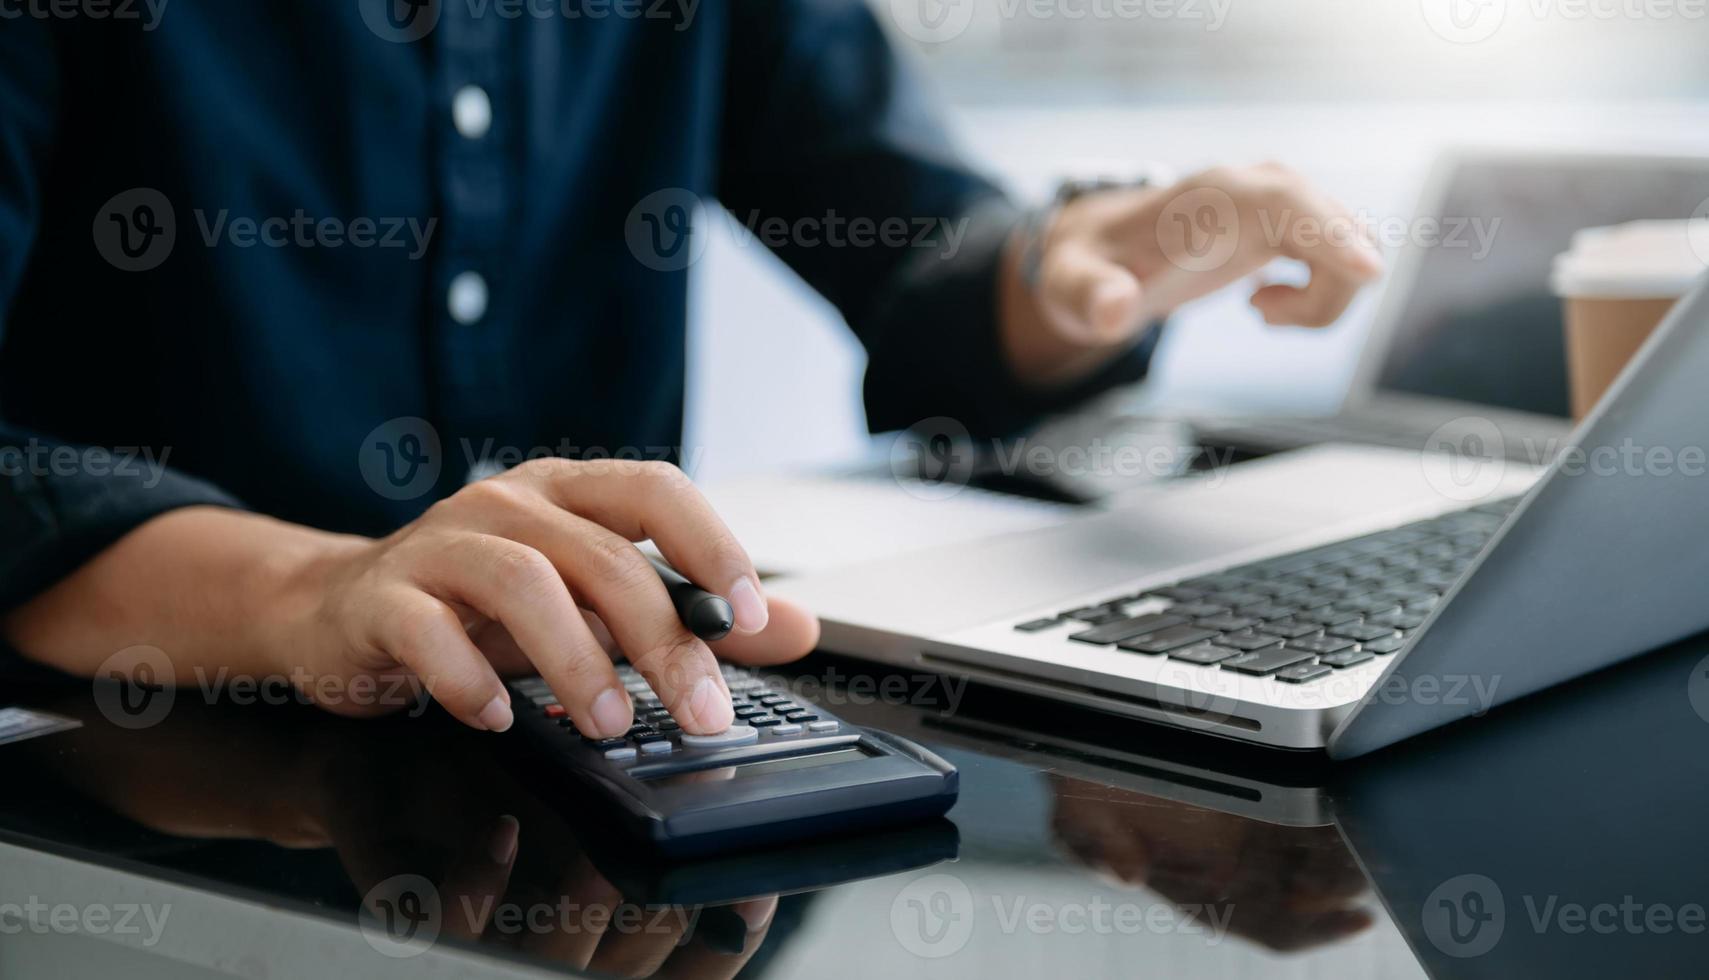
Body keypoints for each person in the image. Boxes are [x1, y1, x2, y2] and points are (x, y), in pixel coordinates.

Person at [0, 0, 1383, 741]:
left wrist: (1080, 269)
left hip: (604, 774)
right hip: (136, 780)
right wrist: (312, 586)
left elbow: (926, 273)